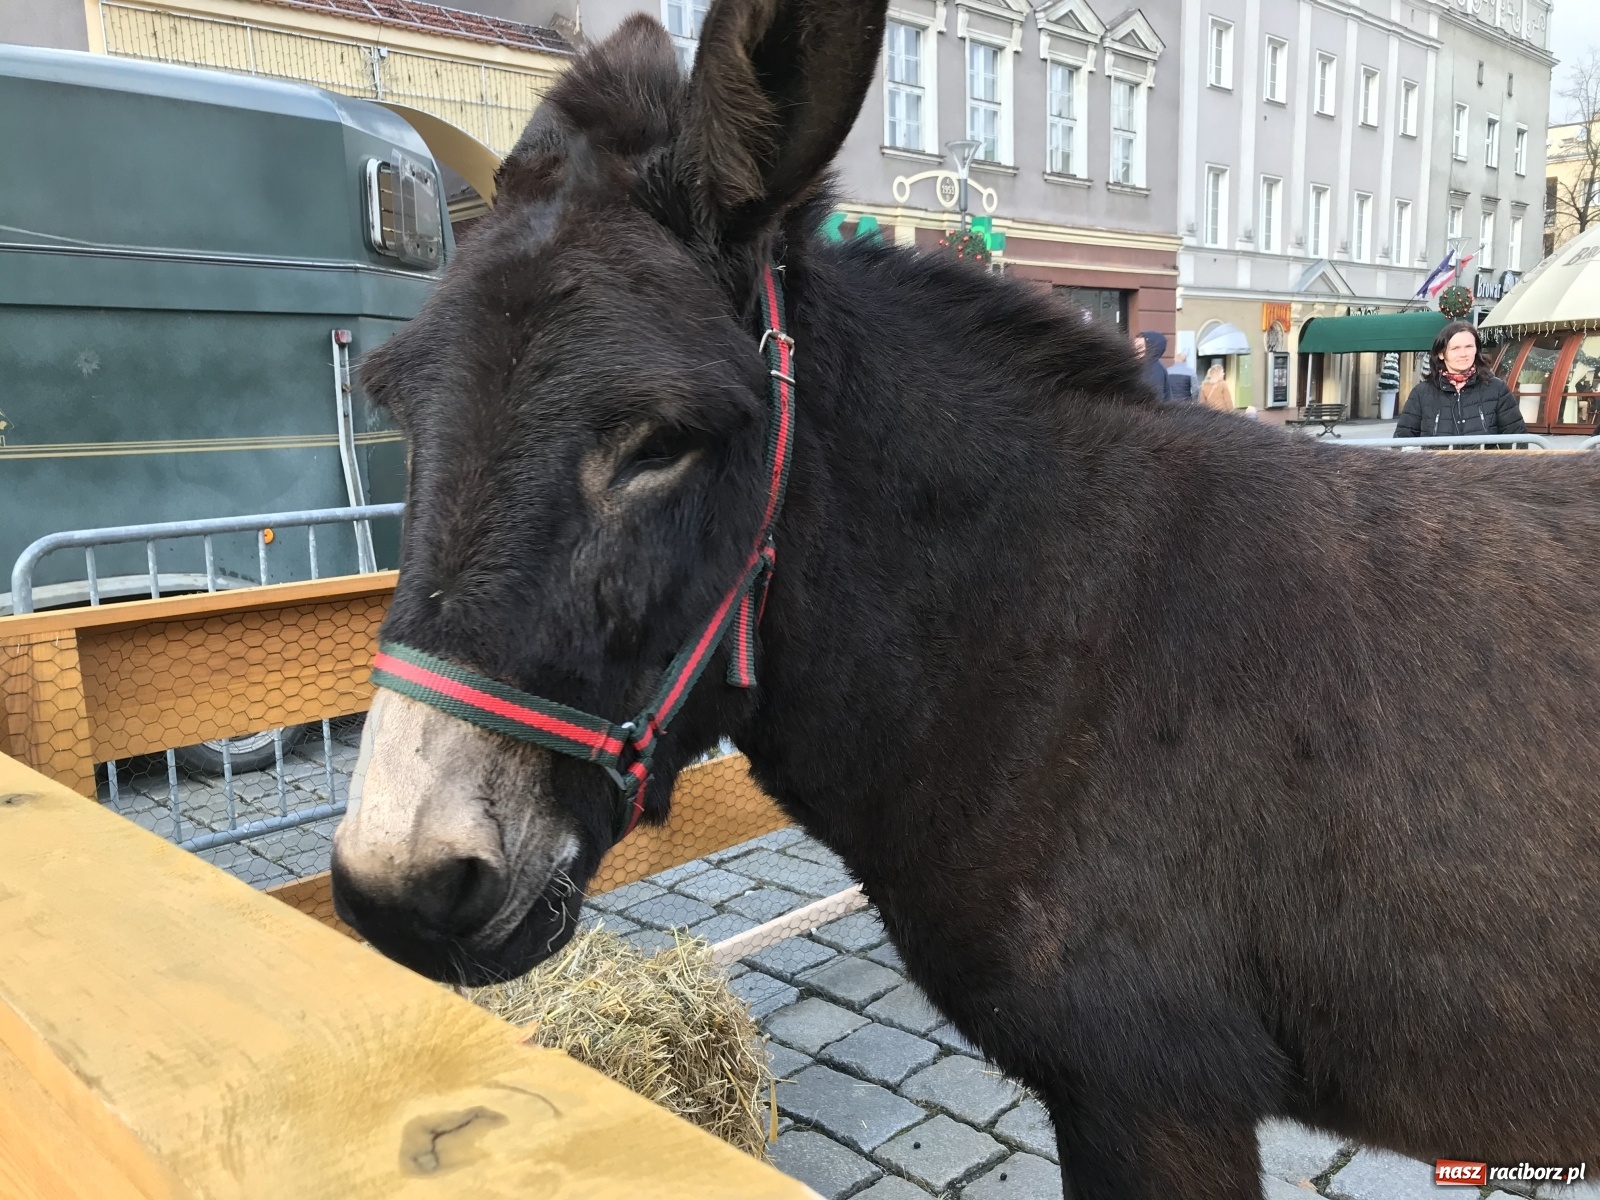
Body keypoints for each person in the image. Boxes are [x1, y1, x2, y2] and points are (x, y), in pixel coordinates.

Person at [1395, 320, 1525, 445]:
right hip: (1436, 467)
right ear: (1441, 353)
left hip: (1483, 467)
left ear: (1476, 350)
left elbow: (1517, 442)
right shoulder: (1421, 394)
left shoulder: (1497, 389)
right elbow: (1402, 441)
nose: (1463, 354)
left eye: (1469, 347)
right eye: (1455, 348)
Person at [1133, 331, 1169, 399]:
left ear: (1152, 348)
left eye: (1140, 347)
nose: (1135, 350)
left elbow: (1154, 400)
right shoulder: (1142, 366)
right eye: (1134, 347)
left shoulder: (1153, 369)